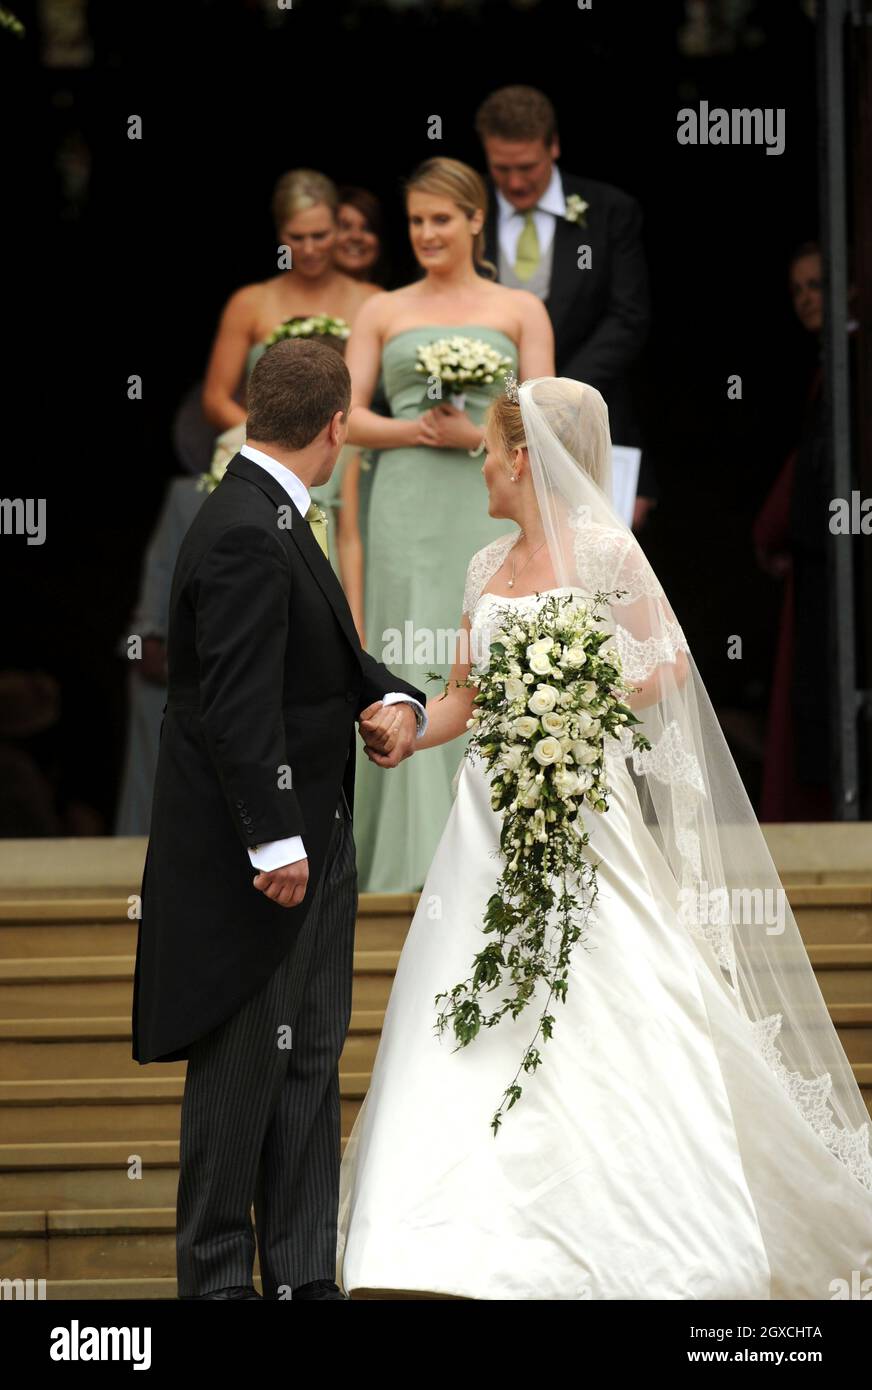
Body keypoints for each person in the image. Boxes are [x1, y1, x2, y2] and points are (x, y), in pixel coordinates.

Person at [337, 376, 872, 1300]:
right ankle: (441, 1235)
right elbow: (464, 694)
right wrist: (406, 730)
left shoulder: (605, 551)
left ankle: (645, 1229)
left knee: (615, 988)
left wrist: (572, 714)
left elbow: (667, 669)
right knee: (468, 988)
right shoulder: (483, 565)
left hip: (584, 801)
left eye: (490, 451)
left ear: (522, 458)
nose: (479, 464)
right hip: (489, 816)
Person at [132, 339, 428, 1301]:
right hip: (258, 863)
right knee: (239, 1083)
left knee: (306, 1073)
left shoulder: (274, 512)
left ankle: (304, 1283)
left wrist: (398, 703)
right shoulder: (243, 528)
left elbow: (331, 658)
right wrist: (276, 842)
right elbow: (234, 705)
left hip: (315, 839)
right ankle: (217, 1289)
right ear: (338, 425)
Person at [346, 155, 554, 892]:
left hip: (488, 496)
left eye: (441, 219)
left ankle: (496, 855)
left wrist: (478, 439)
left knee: (486, 655)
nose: (427, 233)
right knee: (411, 652)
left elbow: (545, 414)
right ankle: (404, 860)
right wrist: (419, 432)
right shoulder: (382, 309)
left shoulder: (521, 309)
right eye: (416, 221)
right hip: (405, 501)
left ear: (475, 220)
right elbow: (350, 417)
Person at [476, 84, 657, 529]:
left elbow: (629, 317)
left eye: (527, 167)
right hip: (482, 435)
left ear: (553, 146)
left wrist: (551, 396)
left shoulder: (611, 210)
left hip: (586, 422)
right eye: (502, 168)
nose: (515, 182)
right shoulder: (464, 212)